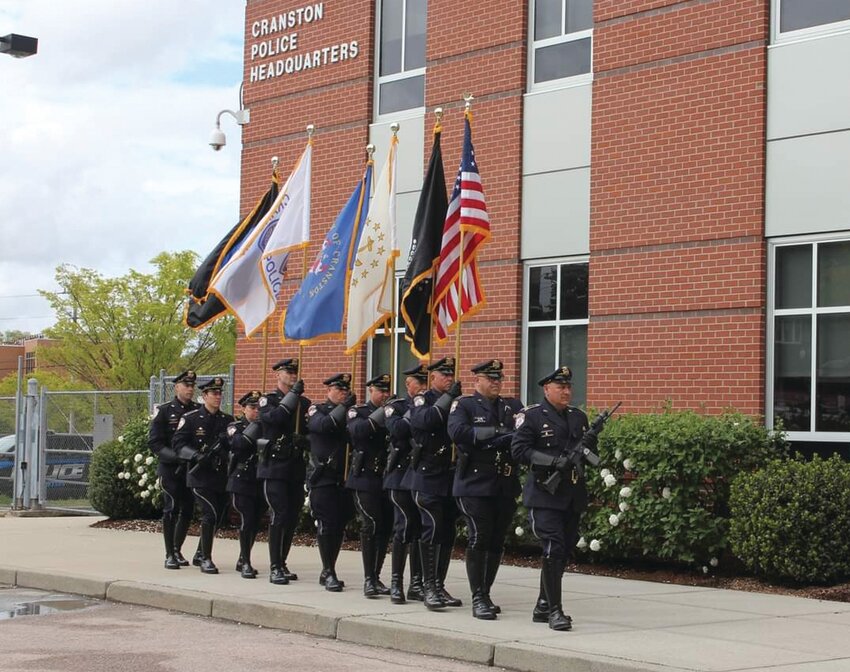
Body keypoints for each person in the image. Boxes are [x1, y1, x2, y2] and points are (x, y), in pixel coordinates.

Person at [511, 366, 593, 632]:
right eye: (561, 387)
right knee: (553, 547)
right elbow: (519, 450)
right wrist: (553, 462)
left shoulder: (578, 417)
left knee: (565, 548)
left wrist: (587, 449)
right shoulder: (532, 416)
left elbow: (591, 453)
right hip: (545, 494)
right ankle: (555, 611)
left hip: (571, 496)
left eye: (569, 387)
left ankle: (543, 603)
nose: (567, 391)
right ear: (547, 389)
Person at [447, 359, 523, 620]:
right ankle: (478, 596)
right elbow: (459, 432)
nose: (495, 383)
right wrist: (500, 434)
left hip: (504, 483)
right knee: (479, 536)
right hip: (474, 484)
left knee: (496, 540)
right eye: (490, 378)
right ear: (476, 380)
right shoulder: (465, 405)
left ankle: (486, 591)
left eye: (498, 378)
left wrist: (491, 437)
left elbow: (521, 435)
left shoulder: (511, 406)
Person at [408, 357, 463, 610]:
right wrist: (448, 398)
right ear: (433, 377)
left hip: (449, 477)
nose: (449, 378)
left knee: (447, 532)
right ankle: (426, 585)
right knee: (431, 528)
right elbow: (426, 420)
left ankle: (438, 584)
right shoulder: (422, 399)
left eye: (451, 375)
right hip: (427, 476)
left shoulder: (456, 402)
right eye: (444, 375)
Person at [258, 358, 311, 585]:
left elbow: (311, 433)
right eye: (288, 372)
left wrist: (304, 441)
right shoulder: (267, 400)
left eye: (294, 372)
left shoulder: (303, 403)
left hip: (295, 467)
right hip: (274, 467)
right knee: (279, 514)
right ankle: (274, 566)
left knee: (291, 516)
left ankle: (283, 560)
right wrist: (292, 396)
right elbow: (275, 419)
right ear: (277, 375)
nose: (292, 375)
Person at [173, 377, 234, 574]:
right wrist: (196, 455)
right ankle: (207, 558)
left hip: (220, 475)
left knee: (219, 515)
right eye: (213, 393)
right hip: (199, 476)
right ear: (204, 396)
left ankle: (200, 553)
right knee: (210, 514)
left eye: (219, 393)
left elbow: (234, 446)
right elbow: (179, 444)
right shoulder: (191, 418)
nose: (217, 397)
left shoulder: (227, 420)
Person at [306, 372, 356, 592]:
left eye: (345, 390)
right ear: (329, 391)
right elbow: (324, 426)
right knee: (326, 526)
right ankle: (329, 571)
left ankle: (329, 568)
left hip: (342, 479)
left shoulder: (348, 413)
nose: (342, 393)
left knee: (339, 527)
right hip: (323, 479)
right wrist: (344, 408)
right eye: (338, 390)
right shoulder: (318, 410)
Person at [383, 363, 428, 604]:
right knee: (404, 527)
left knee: (421, 529)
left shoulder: (431, 407)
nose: (421, 388)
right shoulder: (396, 406)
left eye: (424, 383)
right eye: (417, 383)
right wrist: (417, 411)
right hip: (400, 477)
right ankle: (396, 582)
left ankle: (417, 583)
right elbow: (398, 429)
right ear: (407, 385)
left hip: (420, 475)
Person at [346, 373, 394, 597]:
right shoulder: (358, 411)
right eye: (380, 390)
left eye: (387, 391)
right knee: (371, 524)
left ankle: (376, 575)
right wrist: (381, 414)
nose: (384, 395)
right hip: (364, 478)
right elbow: (358, 431)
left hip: (385, 477)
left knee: (385, 527)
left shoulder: (391, 411)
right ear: (371, 391)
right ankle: (368, 578)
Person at [148, 370, 200, 570]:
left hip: (190, 469)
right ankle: (169, 553)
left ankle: (177, 549)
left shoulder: (197, 411)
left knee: (187, 510)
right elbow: (155, 442)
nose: (189, 389)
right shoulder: (165, 411)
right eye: (185, 385)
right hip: (171, 469)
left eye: (191, 386)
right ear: (176, 387)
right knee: (171, 509)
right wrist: (176, 457)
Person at [226, 390, 268, 579]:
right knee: (247, 518)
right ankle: (245, 561)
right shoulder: (235, 426)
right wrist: (257, 426)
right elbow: (239, 444)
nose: (256, 411)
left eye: (259, 407)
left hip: (259, 479)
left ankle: (243, 558)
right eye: (252, 407)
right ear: (243, 409)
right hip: (241, 479)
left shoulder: (264, 427)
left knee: (256, 521)